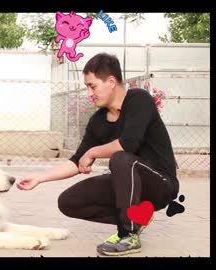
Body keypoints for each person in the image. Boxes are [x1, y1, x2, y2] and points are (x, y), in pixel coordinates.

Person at [17, 53, 179, 256]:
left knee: (121, 159)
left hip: (161, 183)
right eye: (87, 87)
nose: (89, 93)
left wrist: (93, 151)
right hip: (128, 181)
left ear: (111, 81)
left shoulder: (138, 99)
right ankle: (135, 218)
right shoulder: (98, 121)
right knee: (69, 201)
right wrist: (40, 178)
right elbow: (78, 161)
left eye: (92, 86)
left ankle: (128, 233)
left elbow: (128, 143)